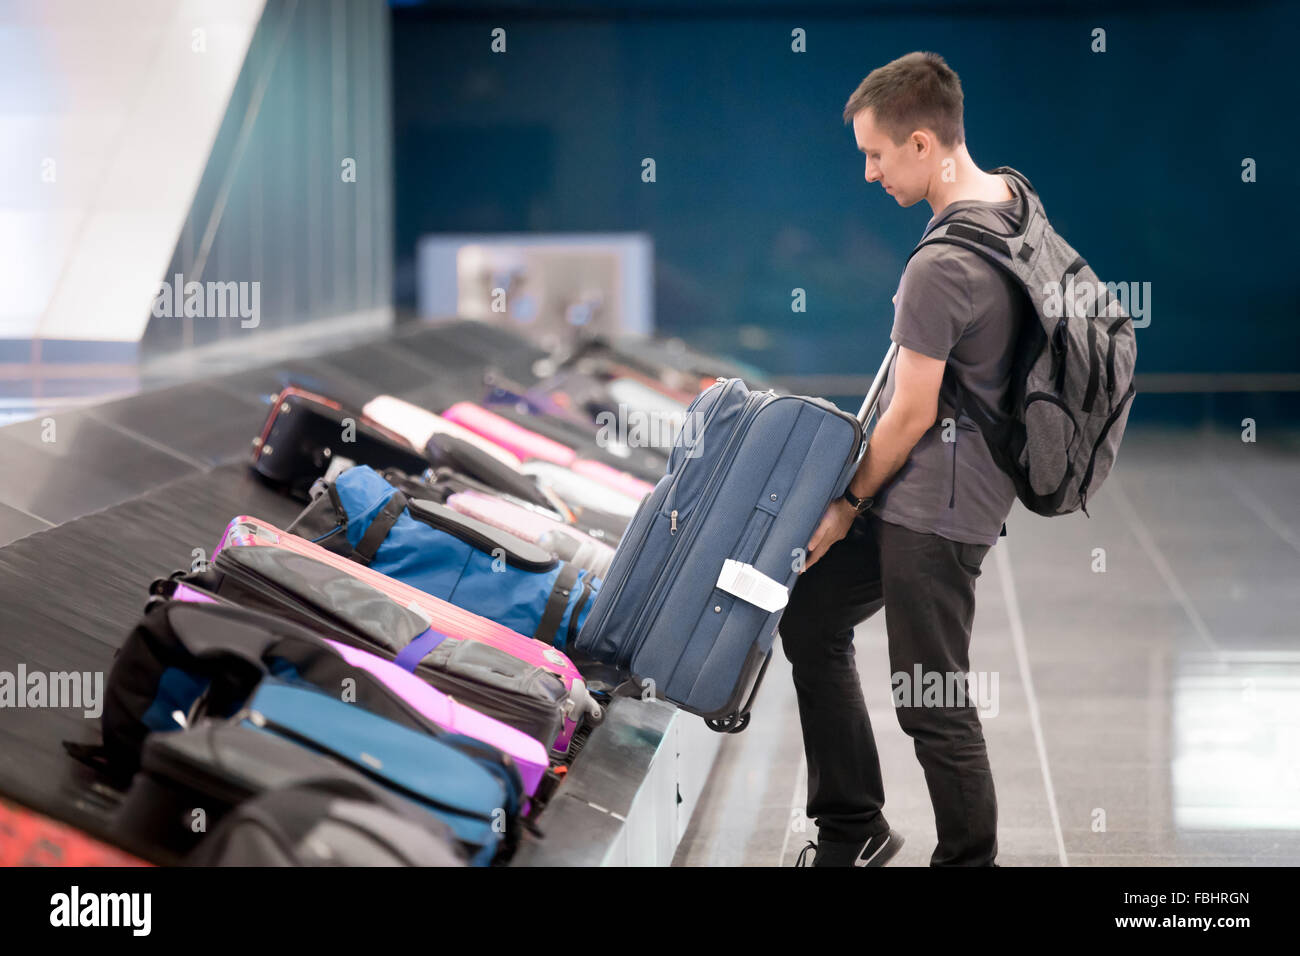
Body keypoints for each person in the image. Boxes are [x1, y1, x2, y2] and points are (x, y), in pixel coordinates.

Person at [783, 51, 1030, 867]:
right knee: (812, 614)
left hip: (936, 509)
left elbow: (911, 410)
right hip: (939, 491)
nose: (867, 173)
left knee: (932, 701)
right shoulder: (1010, 199)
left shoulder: (942, 262)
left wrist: (844, 502)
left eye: (876, 154)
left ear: (922, 144)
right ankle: (853, 826)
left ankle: (968, 860)